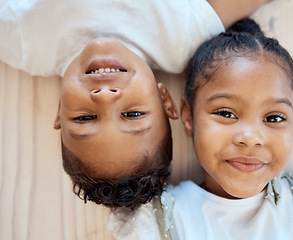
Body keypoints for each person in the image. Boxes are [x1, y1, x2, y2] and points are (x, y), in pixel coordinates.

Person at [0, 0, 273, 209]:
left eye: (85, 118)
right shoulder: (182, 41)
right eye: (132, 114)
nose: (104, 97)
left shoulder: (23, 42)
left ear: (60, 110)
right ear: (165, 99)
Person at [109, 18, 293, 239]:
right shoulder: (154, 220)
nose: (251, 138)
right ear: (188, 115)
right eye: (226, 113)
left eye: (274, 118)